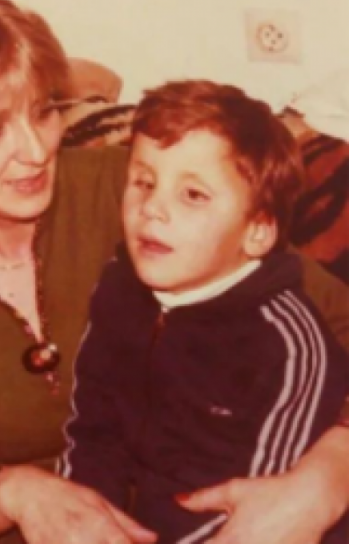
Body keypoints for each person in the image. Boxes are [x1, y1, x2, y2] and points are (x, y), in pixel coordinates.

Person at [0, 0, 349, 544]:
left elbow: (323, 313)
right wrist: (11, 494)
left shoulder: (136, 193)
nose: (35, 150)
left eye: (43, 112)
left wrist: (329, 475)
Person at [61, 80, 349, 543]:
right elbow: (93, 432)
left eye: (193, 195)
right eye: (144, 182)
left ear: (257, 232)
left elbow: (262, 510)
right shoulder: (118, 289)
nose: (153, 208)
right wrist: (84, 521)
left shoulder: (286, 345)